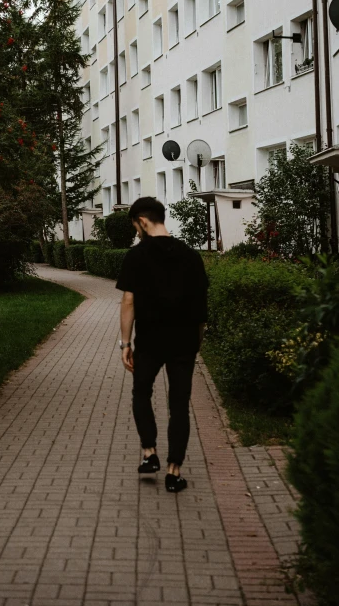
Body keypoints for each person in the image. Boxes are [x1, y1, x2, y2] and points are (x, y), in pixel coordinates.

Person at [115, 197, 209, 493]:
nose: (136, 233)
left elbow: (128, 302)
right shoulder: (192, 256)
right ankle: (174, 471)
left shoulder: (136, 256)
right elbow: (201, 309)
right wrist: (197, 342)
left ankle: (149, 453)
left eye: (135, 226)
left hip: (150, 342)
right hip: (184, 342)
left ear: (142, 221)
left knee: (141, 392)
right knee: (179, 405)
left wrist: (125, 344)